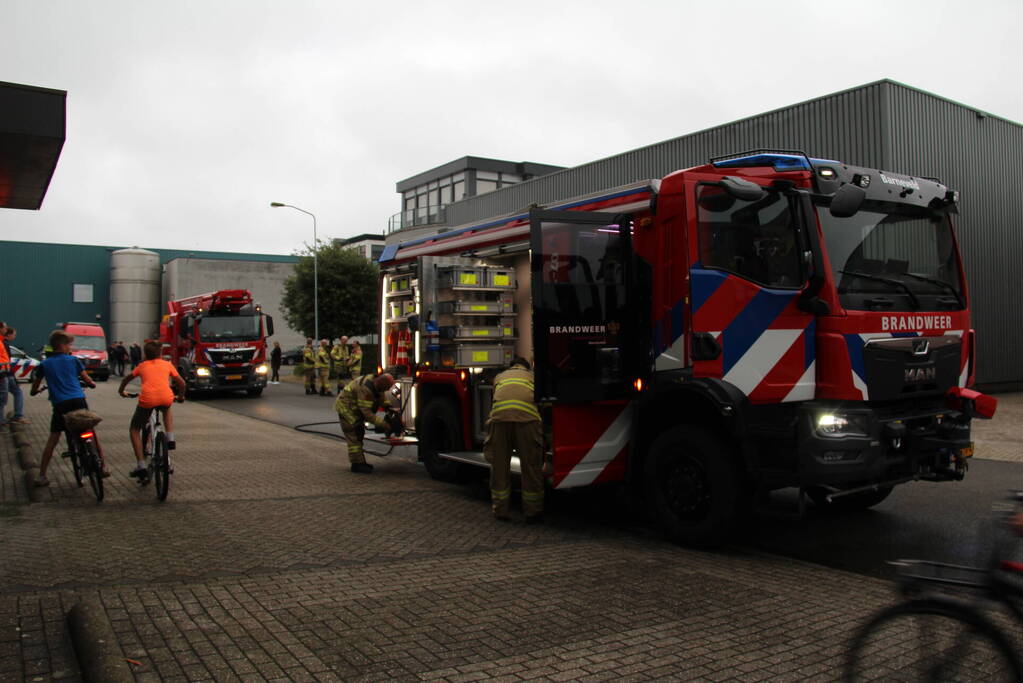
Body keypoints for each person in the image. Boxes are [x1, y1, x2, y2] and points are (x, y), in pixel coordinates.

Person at [30, 329, 109, 486]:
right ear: (61, 345)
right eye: (69, 345)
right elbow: (87, 379)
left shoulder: (45, 364)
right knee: (90, 432)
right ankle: (103, 466)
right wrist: (92, 384)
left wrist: (35, 391)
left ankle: (42, 475)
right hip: (78, 401)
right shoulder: (73, 361)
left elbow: (35, 387)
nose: (70, 348)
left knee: (53, 438)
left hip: (60, 405)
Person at [485, 357, 543, 522]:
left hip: (500, 422)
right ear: (526, 367)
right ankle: (533, 512)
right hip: (527, 422)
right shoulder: (532, 377)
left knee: (499, 468)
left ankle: (500, 511)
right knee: (530, 467)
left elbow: (495, 399)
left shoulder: (500, 377)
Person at [119, 340, 186, 478]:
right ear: (160, 353)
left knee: (135, 429)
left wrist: (121, 391)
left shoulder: (142, 366)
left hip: (147, 400)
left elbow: (126, 379)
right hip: (166, 397)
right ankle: (170, 437)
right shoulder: (167, 364)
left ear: (145, 353)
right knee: (166, 408)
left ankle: (141, 465)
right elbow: (181, 383)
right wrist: (180, 396)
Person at [334, 372, 397, 473]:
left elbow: (380, 395)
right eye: (386, 387)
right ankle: (357, 465)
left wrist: (387, 406)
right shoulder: (366, 389)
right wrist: (384, 425)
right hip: (347, 410)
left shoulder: (376, 382)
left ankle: (360, 462)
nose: (387, 390)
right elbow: (367, 414)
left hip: (354, 409)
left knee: (359, 434)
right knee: (354, 436)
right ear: (381, 383)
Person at [4, 326, 28, 424]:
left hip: (4, 374)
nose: (14, 337)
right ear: (8, 334)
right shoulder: (5, 345)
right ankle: (18, 415)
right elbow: (7, 362)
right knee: (18, 392)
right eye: (14, 335)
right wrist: (14, 379)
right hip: (6, 374)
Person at [0, 321, 9, 429]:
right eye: (4, 328)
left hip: (3, 373)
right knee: (2, 399)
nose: (6, 330)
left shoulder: (2, 341)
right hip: (1, 374)